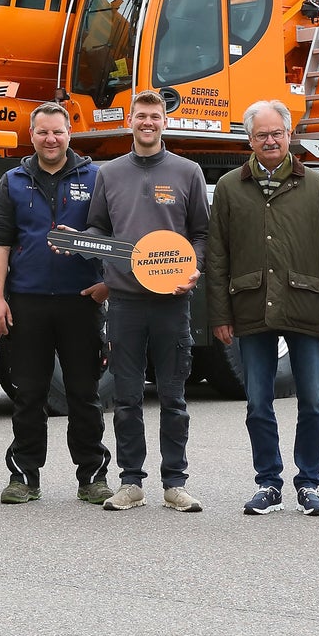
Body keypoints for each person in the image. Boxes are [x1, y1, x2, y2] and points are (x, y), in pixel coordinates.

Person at [205, 99, 319, 517]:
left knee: (314, 400)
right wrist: (219, 315)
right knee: (257, 402)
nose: (269, 140)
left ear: (289, 135)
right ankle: (268, 482)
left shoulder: (317, 186)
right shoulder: (231, 187)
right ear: (249, 140)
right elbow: (217, 256)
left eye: (276, 133)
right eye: (261, 135)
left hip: (307, 306)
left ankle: (308, 484)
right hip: (250, 306)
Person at [83, 90, 209, 513]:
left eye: (155, 116)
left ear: (165, 121)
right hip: (125, 303)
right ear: (131, 121)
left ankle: (175, 483)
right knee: (126, 397)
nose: (148, 123)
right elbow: (97, 228)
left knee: (173, 397)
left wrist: (194, 269)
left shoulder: (188, 172)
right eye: (141, 116)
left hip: (172, 303)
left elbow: (202, 235)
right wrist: (98, 250)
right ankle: (131, 482)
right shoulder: (109, 173)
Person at [0, 101, 111, 505]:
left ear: (69, 133)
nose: (50, 139)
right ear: (32, 135)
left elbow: (113, 235)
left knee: (83, 393)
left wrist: (104, 277)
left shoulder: (96, 177)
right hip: (28, 303)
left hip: (81, 301)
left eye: (57, 131)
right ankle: (23, 477)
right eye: (42, 132)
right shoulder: (13, 180)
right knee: (28, 393)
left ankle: (92, 476)